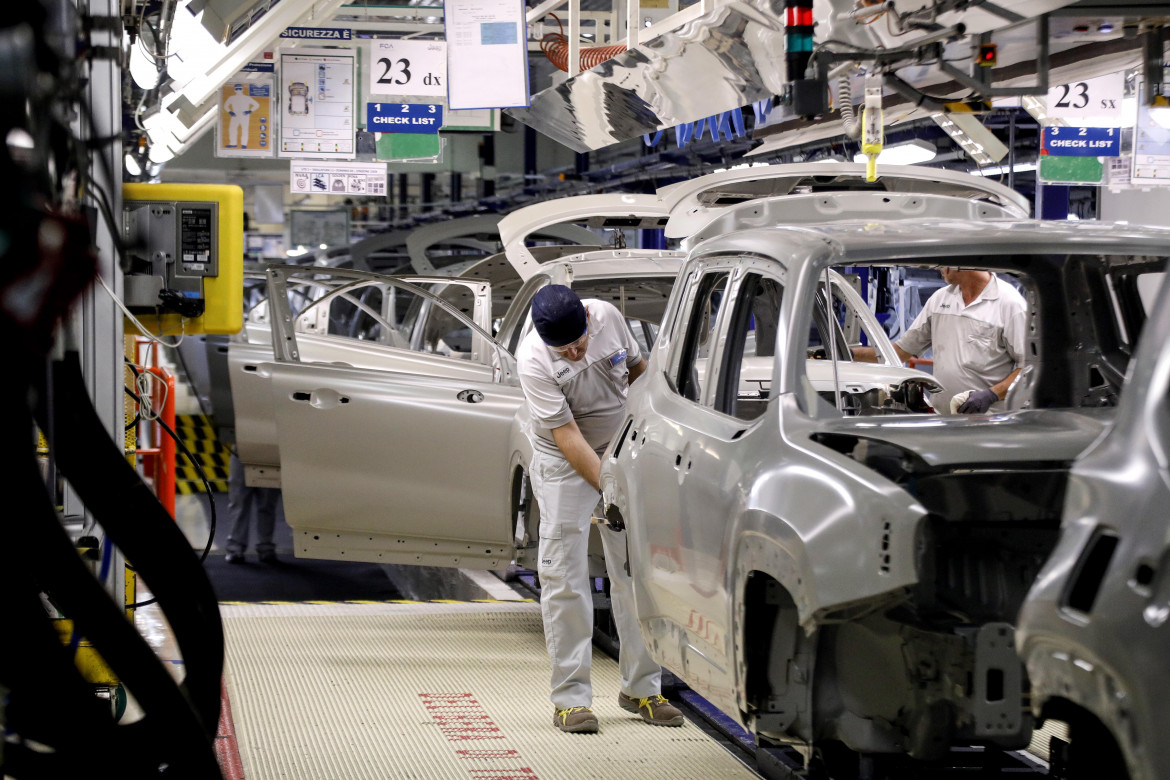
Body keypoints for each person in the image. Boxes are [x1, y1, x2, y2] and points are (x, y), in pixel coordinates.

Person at [517, 284, 684, 734]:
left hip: (619, 447)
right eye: (563, 350)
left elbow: (638, 371)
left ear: (588, 322)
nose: (572, 354)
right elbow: (567, 437)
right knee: (564, 575)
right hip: (562, 461)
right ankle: (570, 700)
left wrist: (647, 440)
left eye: (578, 344)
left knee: (636, 569)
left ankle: (642, 690)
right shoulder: (533, 359)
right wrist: (610, 490)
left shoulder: (608, 316)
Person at [853, 266, 1026, 414]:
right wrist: (848, 354)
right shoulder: (940, 300)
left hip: (989, 422)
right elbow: (900, 352)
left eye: (943, 263)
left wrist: (991, 395)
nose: (938, 268)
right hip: (942, 418)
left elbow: (1029, 367)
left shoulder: (1010, 304)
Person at [224, 449, 282, 564]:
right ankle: (236, 548)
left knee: (267, 504)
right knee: (239, 503)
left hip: (269, 454)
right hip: (241, 452)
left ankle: (265, 547)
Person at [223, 84, 259, 149]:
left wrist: (250, 111)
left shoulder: (247, 98)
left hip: (244, 115)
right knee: (232, 129)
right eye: (237, 89)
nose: (238, 90)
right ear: (234, 90)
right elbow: (225, 105)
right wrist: (230, 111)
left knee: (245, 129)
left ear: (242, 89)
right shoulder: (231, 98)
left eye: (239, 88)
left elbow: (256, 104)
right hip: (235, 115)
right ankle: (233, 144)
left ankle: (244, 145)